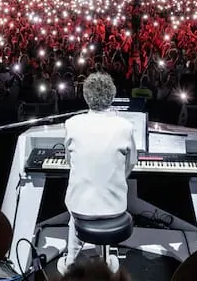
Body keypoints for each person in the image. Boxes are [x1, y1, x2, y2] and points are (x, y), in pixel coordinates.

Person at [60, 72, 136, 274]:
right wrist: (114, 177)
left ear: (86, 96)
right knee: (100, 205)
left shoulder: (72, 123)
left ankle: (70, 260)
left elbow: (69, 161)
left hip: (79, 207)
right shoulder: (125, 126)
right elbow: (132, 163)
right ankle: (105, 259)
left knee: (76, 213)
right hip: (115, 206)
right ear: (112, 96)